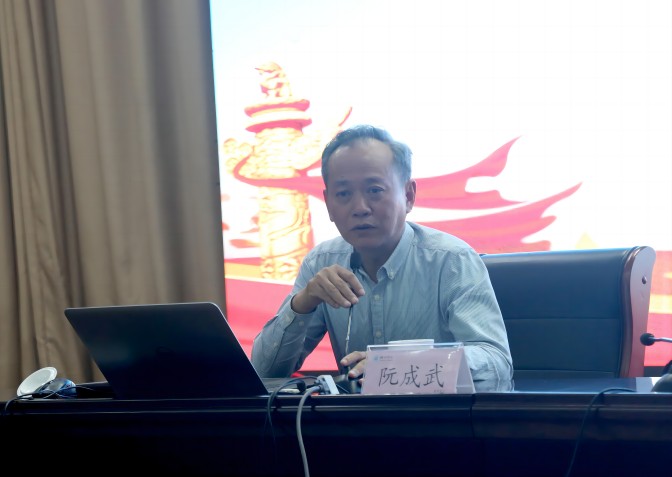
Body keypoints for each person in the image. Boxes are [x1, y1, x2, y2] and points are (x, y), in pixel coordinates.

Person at [251, 124, 513, 391]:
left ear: (408, 196)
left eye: (374, 190)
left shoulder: (452, 261)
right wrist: (303, 303)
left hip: (438, 415)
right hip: (356, 417)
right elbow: (263, 372)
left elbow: (496, 364)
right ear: (328, 203)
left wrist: (398, 366)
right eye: (343, 194)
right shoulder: (320, 263)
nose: (360, 208)